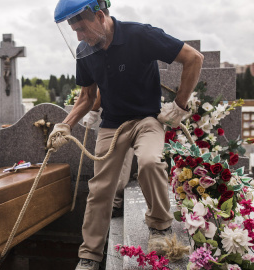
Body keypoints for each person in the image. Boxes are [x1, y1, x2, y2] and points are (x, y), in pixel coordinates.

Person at [50, 1, 204, 269]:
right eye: (73, 30)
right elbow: (87, 95)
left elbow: (193, 58)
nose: (78, 36)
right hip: (111, 124)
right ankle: (89, 256)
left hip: (147, 119)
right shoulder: (84, 50)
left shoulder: (140, 35)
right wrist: (66, 124)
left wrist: (179, 106)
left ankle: (160, 227)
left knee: (149, 162)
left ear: (99, 16)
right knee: (100, 188)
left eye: (82, 27)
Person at [83, 88, 134, 218]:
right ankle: (108, 203)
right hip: (113, 119)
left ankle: (115, 203)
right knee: (105, 164)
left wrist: (94, 111)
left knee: (123, 164)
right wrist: (93, 111)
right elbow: (102, 87)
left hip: (130, 118)